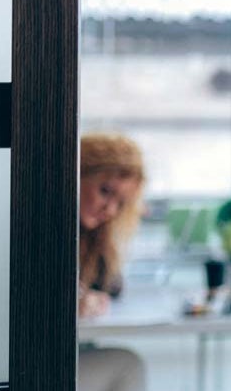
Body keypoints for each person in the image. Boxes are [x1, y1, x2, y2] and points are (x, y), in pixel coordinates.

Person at [77, 132, 147, 391]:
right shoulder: (47, 230)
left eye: (121, 203)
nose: (110, 210)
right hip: (28, 362)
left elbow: (111, 286)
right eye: (105, 191)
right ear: (75, 173)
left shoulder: (90, 236)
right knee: (127, 365)